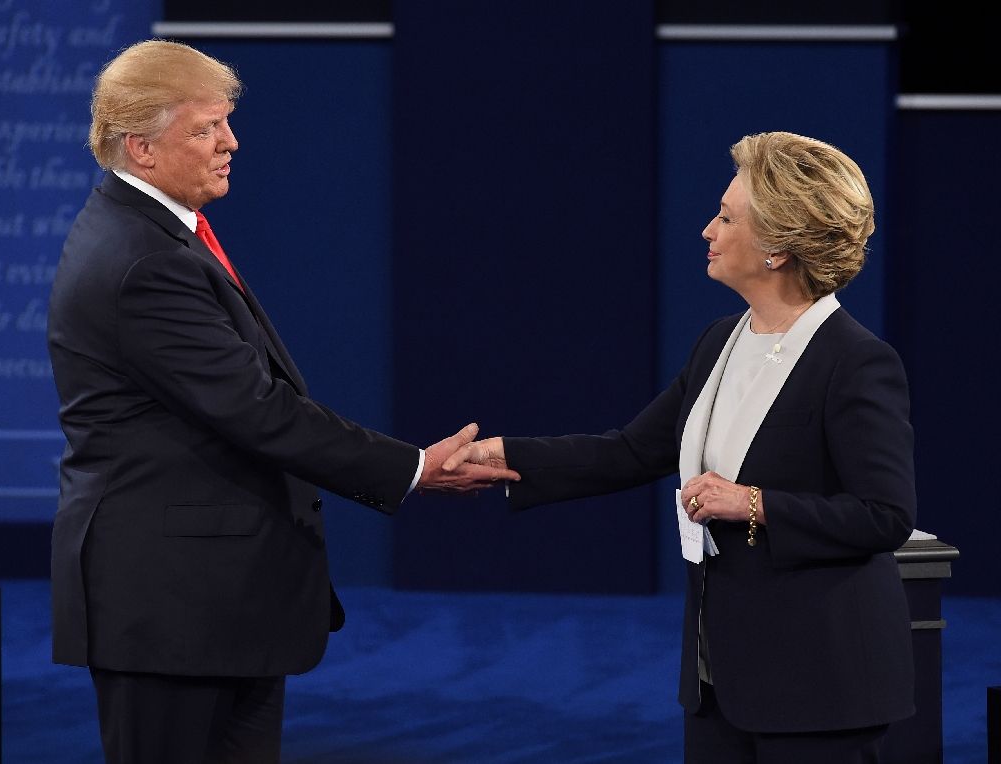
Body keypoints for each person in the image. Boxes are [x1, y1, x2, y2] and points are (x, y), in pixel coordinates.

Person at [46, 39, 518, 764]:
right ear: (139, 147)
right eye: (204, 129)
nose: (230, 143)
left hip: (212, 608)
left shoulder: (155, 234)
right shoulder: (142, 261)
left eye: (226, 123)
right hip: (171, 610)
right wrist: (414, 468)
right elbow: (258, 411)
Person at [445, 131, 916, 763]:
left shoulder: (856, 362)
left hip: (820, 684)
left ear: (777, 247)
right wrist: (506, 456)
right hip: (721, 679)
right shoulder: (720, 341)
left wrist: (752, 503)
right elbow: (631, 452)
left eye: (726, 217)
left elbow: (884, 515)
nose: (707, 231)